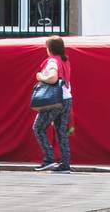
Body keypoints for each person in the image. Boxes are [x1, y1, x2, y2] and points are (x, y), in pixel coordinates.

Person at [31, 35, 73, 173]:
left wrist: (41, 77)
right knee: (61, 132)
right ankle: (65, 164)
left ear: (50, 48)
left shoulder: (52, 62)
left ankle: (49, 158)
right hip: (66, 98)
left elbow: (53, 77)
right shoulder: (64, 60)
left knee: (38, 127)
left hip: (54, 100)